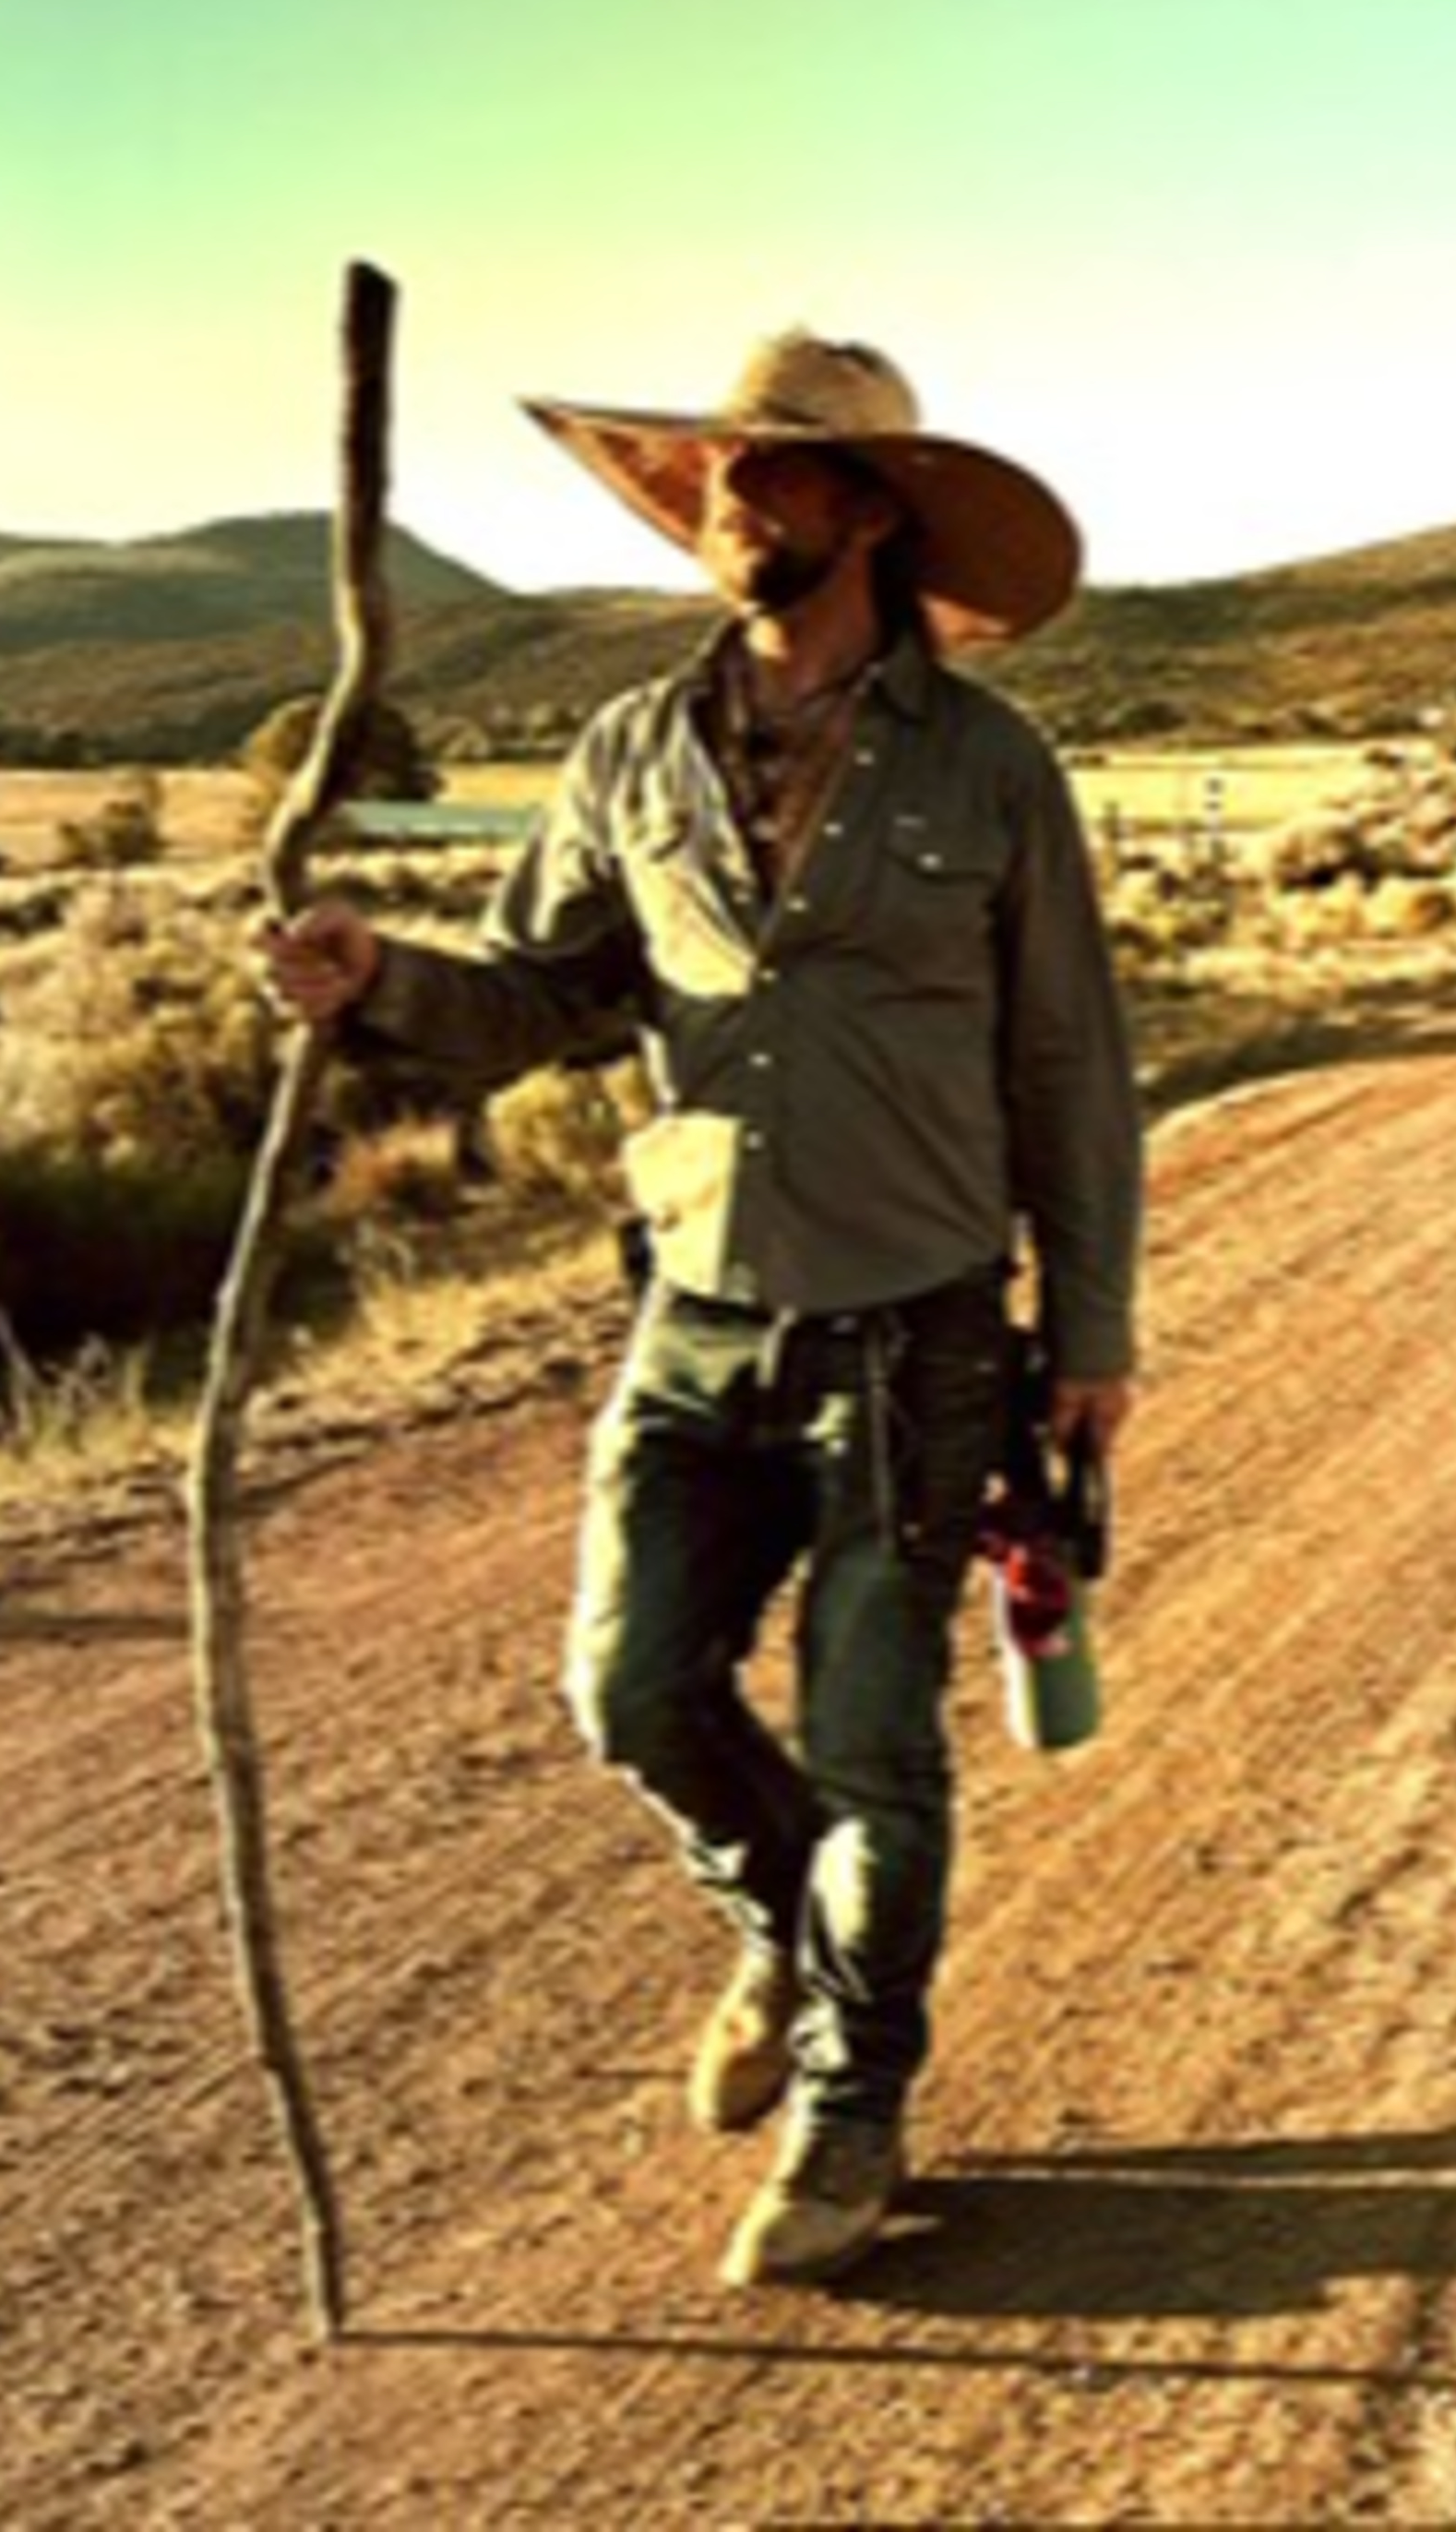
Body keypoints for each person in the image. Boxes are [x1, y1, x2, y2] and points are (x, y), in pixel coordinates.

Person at [264, 329, 1143, 2288]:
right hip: (697, 1309)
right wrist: (377, 979)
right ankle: (784, 1933)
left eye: (776, 468)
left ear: (874, 512)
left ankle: (854, 2105)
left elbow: (1071, 1059)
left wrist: (1091, 1329)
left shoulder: (990, 765)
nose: (732, 497)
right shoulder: (628, 751)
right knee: (633, 1692)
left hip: (916, 1322)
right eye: (721, 471)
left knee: (874, 1747)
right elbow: (540, 997)